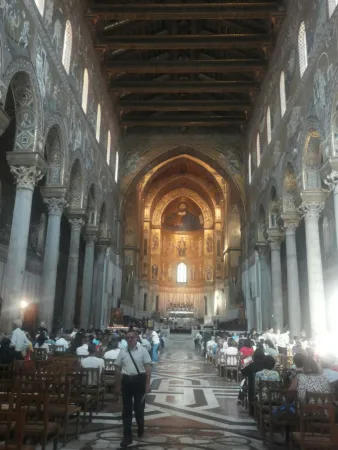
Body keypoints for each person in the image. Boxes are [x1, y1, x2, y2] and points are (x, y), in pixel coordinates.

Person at [114, 330, 152, 448]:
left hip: (139, 380)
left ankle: (140, 425)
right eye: (128, 338)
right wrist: (117, 384)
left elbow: (148, 369)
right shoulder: (123, 351)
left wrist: (147, 384)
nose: (129, 340)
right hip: (126, 381)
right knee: (127, 409)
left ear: (137, 338)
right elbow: (117, 368)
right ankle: (127, 436)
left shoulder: (143, 351)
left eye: (132, 338)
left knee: (139, 408)